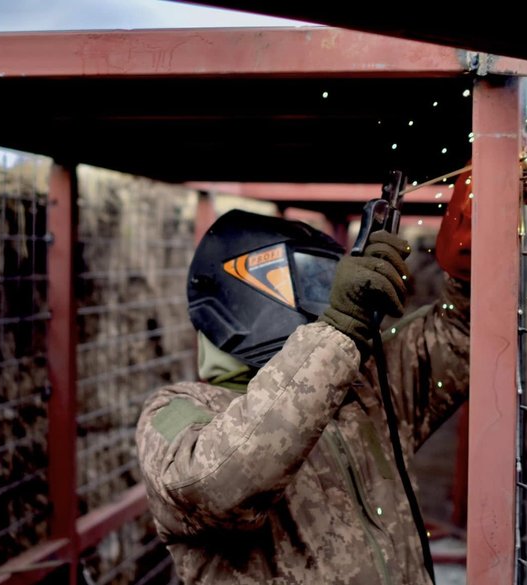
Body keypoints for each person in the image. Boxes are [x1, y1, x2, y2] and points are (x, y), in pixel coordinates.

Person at [135, 175, 473, 584]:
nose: (327, 298)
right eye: (312, 281)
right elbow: (214, 488)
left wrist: (469, 260)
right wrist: (339, 330)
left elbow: (464, 333)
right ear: (236, 287)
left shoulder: (363, 390)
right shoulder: (176, 411)